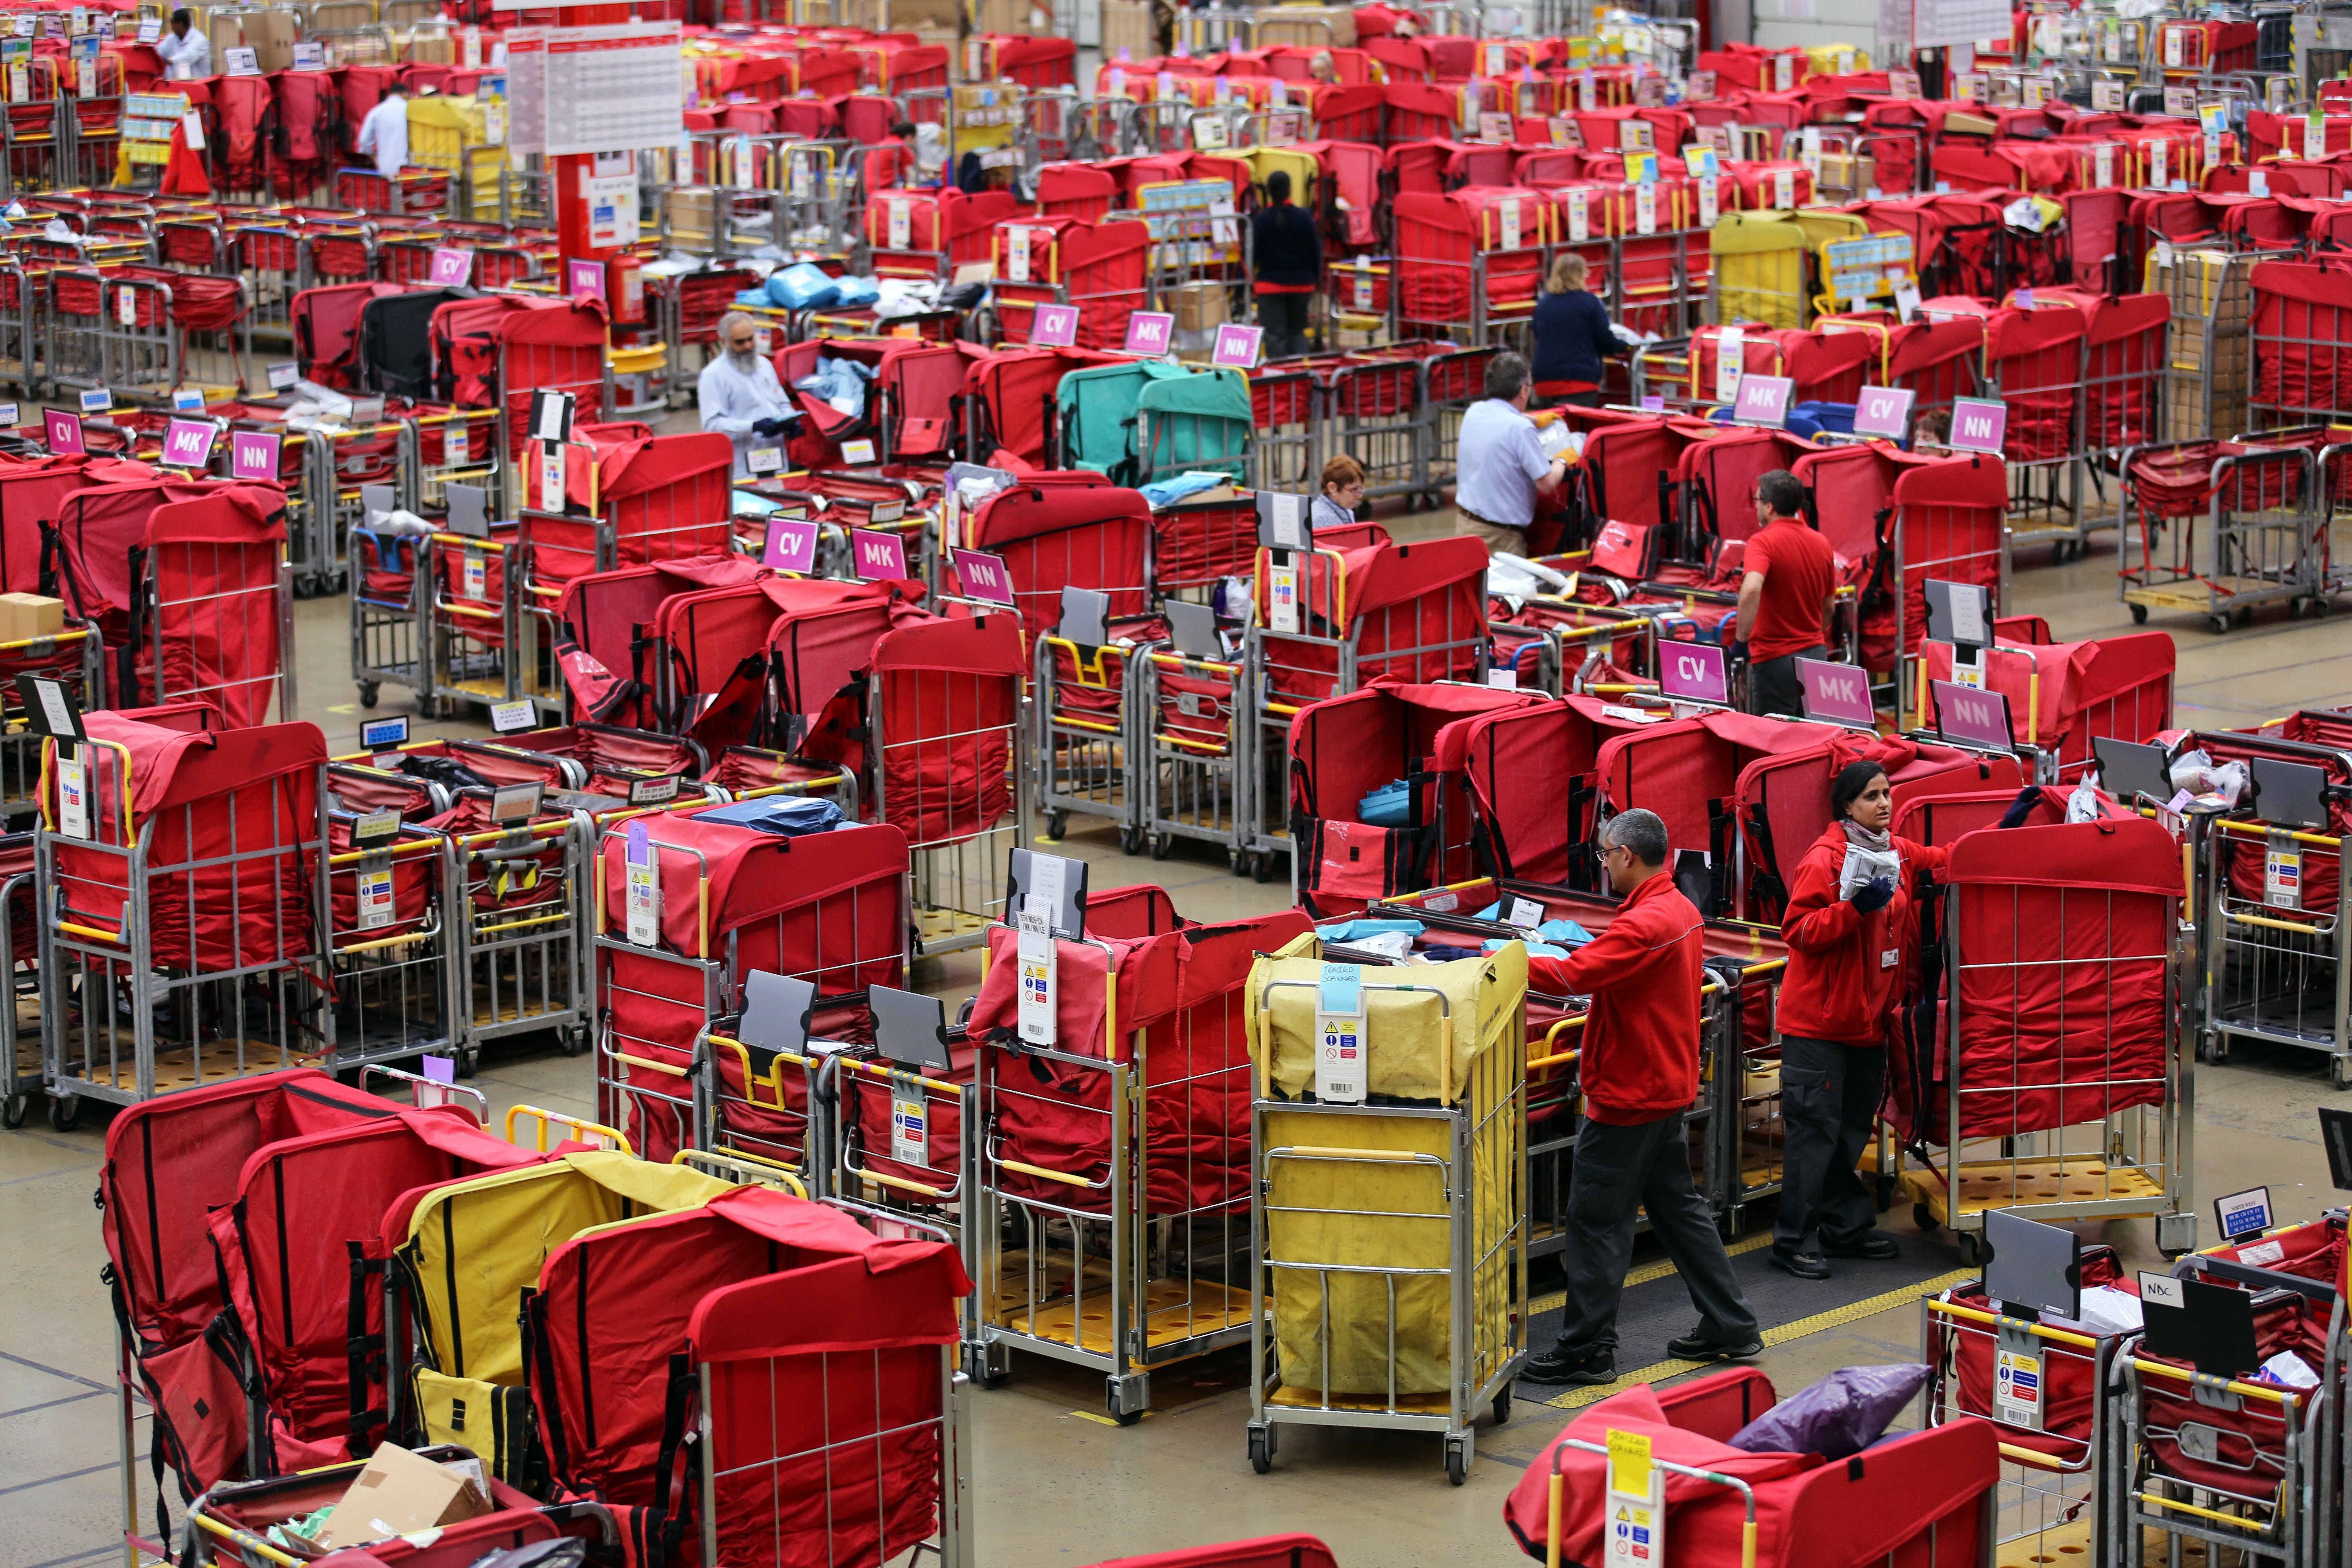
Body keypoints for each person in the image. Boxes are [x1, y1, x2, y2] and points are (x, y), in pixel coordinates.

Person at [1519, 809, 1762, 1385]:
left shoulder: (1644, 924)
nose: (1602, 865)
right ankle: (1731, 1323)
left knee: (1597, 1221)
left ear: (1627, 855)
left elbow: (1572, 977)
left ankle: (1587, 1348)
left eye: (1605, 855)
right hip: (1665, 1089)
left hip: (1628, 1098)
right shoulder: (1678, 909)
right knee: (1680, 1212)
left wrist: (1498, 963)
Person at [1773, 761, 1951, 1278]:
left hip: (1868, 1025)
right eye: (1872, 796)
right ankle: (1793, 1242)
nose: (1884, 804)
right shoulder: (1825, 860)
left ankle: (1844, 1230)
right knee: (1815, 1137)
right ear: (1847, 806)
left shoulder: (1895, 851)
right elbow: (1799, 931)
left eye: (1887, 794)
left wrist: (2006, 832)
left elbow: (1944, 860)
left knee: (1851, 1132)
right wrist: (1853, 909)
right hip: (1819, 1030)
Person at [1734, 469, 1837, 716]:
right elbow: (1830, 606)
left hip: (1775, 660)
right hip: (1815, 656)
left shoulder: (1762, 542)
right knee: (1812, 740)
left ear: (1769, 507)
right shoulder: (1821, 542)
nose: (1756, 507)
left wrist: (1740, 642)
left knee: (1772, 743)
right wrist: (1809, 635)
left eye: (1758, 501)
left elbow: (1751, 589)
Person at [1452, 351, 1569, 557]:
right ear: (1524, 391)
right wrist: (1563, 456)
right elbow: (1547, 484)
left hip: (1466, 527)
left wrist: (1531, 419)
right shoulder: (1520, 429)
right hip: (1501, 538)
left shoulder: (1474, 411)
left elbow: (1503, 420)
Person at [698, 312, 797, 479]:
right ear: (724, 342)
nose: (748, 346)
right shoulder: (714, 376)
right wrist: (753, 427)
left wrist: (789, 421)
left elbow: (781, 403)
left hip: (776, 459)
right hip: (743, 467)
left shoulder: (764, 365)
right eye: (740, 342)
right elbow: (712, 425)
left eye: (751, 339)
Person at [1530, 252, 1620, 407]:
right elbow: (1605, 340)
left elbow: (1539, 335)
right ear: (1581, 275)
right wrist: (1626, 346)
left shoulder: (1543, 305)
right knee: (1577, 430)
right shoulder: (1590, 302)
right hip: (1579, 380)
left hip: (1543, 381)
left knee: (1550, 431)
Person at [1251, 169, 1321, 361]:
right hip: (1302, 285)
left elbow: (1253, 255)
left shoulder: (1261, 221)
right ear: (1290, 190)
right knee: (1297, 332)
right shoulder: (1304, 217)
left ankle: (1280, 381)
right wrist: (1314, 279)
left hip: (1270, 287)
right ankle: (1301, 378)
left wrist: (1244, 286)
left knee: (1274, 336)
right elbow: (1315, 252)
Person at [354, 81, 410, 177]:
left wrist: (375, 158)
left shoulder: (376, 112)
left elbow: (364, 141)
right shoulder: (410, 110)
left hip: (386, 167)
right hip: (410, 168)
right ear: (405, 94)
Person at [1313, 454, 1365, 530]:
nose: (1360, 496)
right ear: (1332, 488)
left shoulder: (1345, 509)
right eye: (1354, 490)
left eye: (1360, 489)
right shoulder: (1322, 520)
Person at [157, 7, 211, 79]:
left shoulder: (200, 40)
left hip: (198, 85)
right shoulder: (172, 38)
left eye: (172, 23)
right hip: (176, 84)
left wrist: (170, 61)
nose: (171, 27)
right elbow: (159, 51)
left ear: (180, 24)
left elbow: (188, 57)